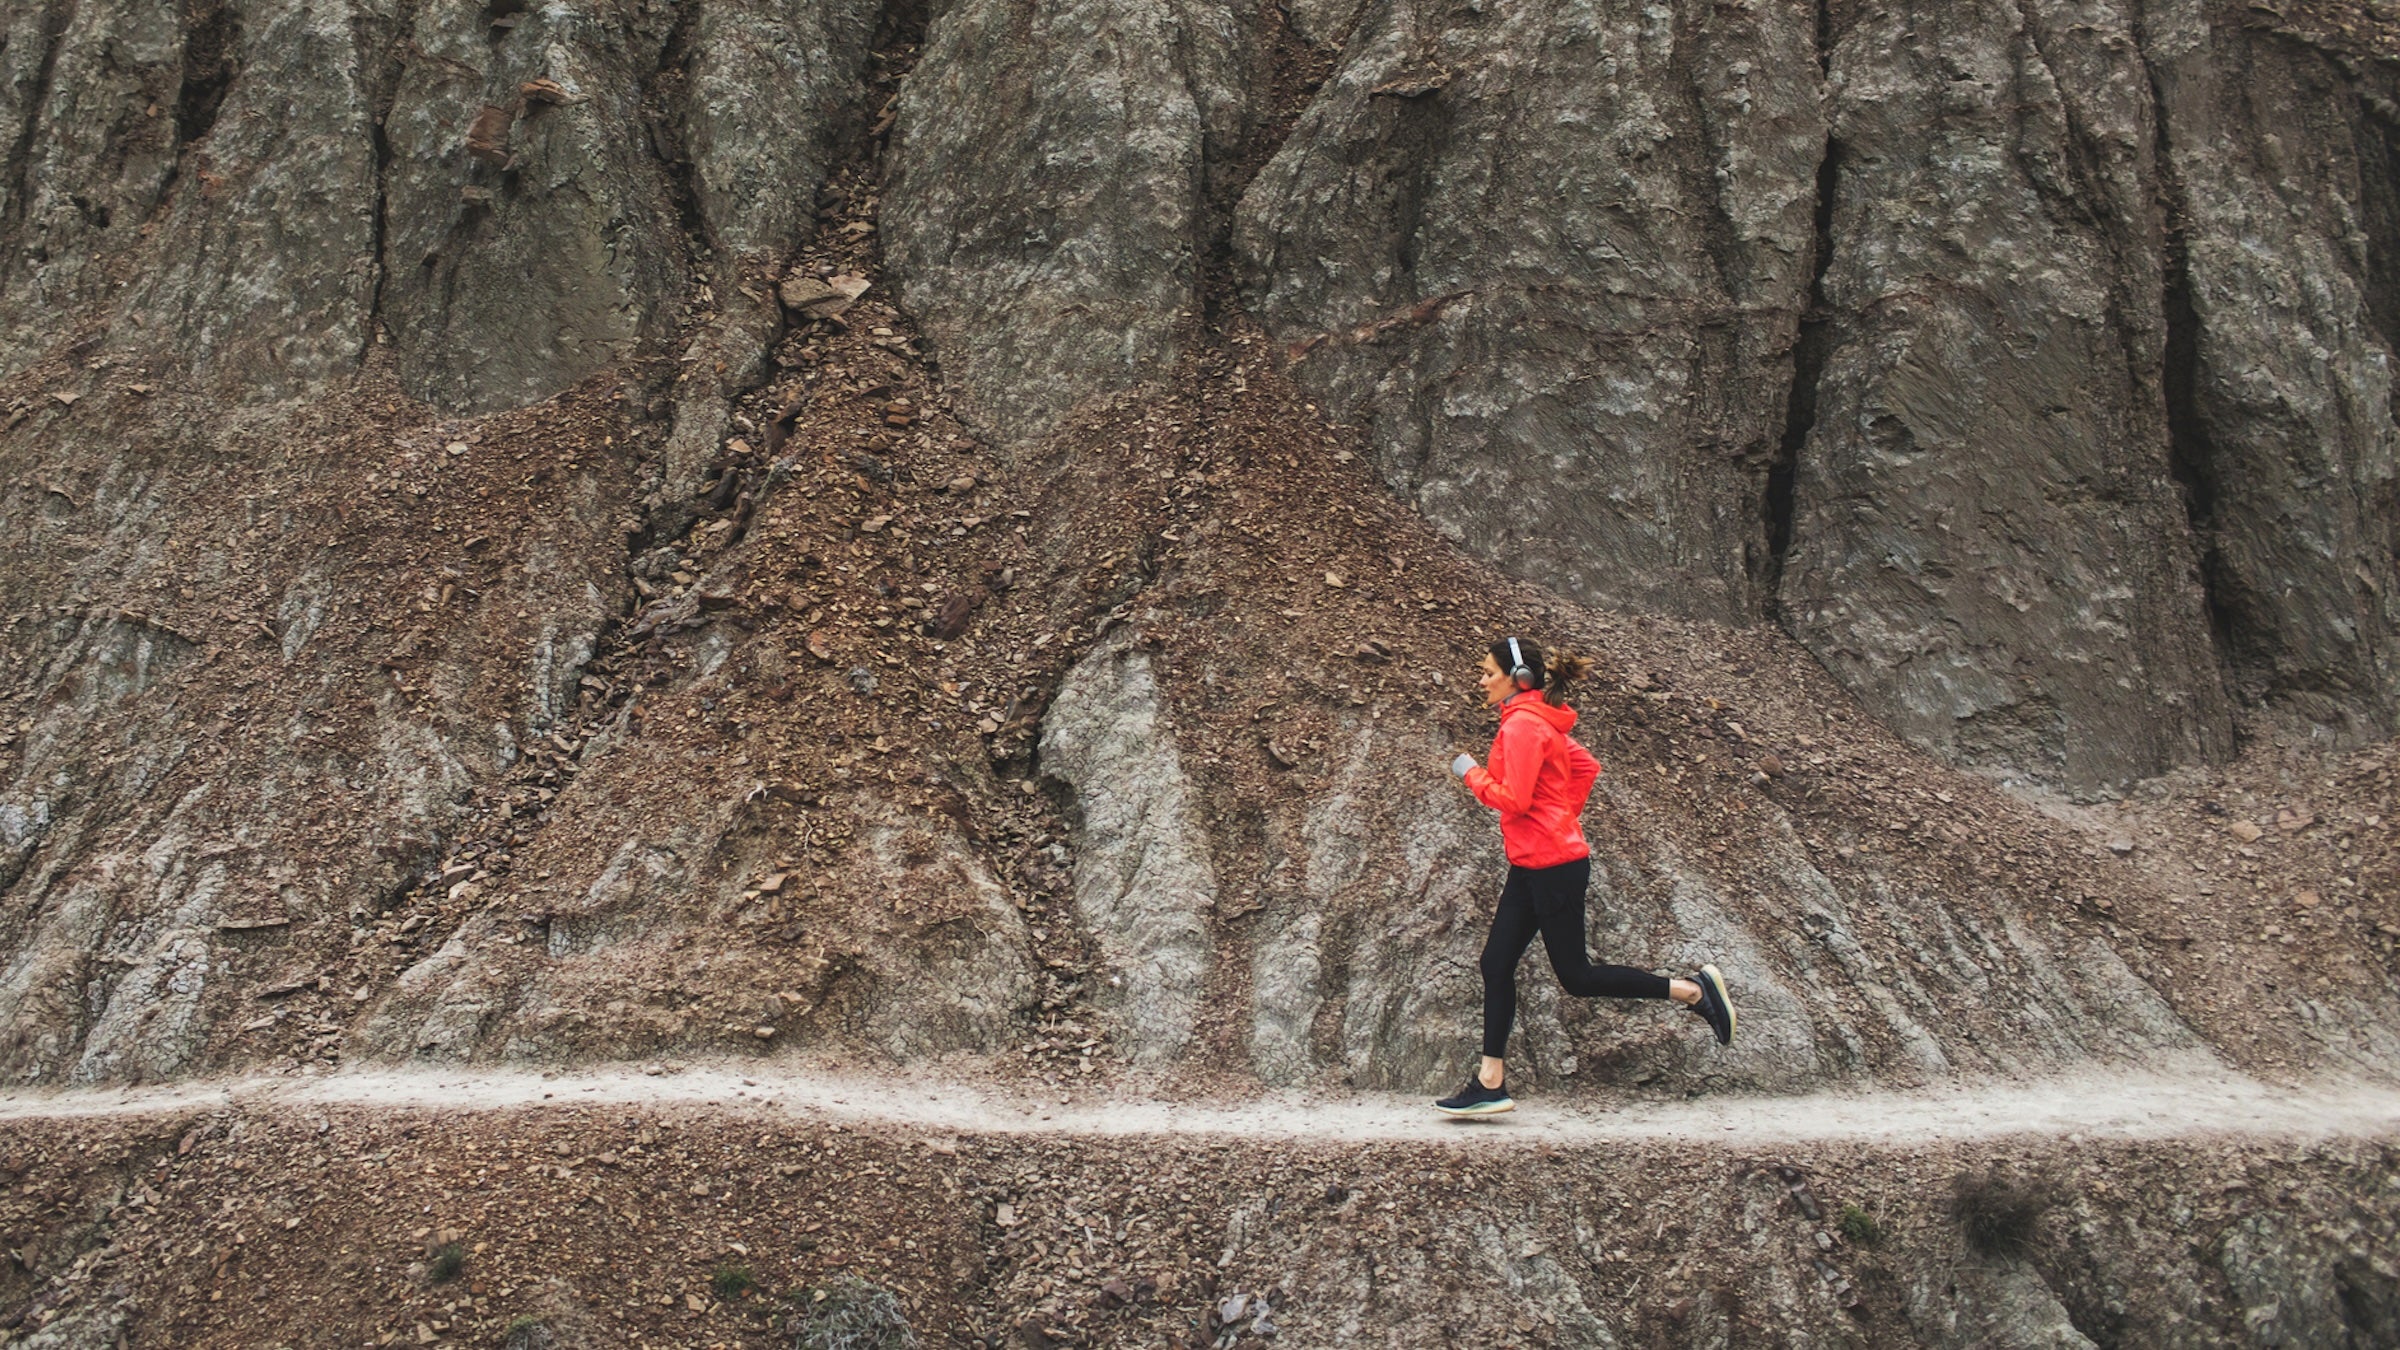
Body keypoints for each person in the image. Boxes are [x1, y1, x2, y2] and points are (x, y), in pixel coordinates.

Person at [1434, 636, 1735, 1118]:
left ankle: (1694, 990)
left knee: (1578, 976)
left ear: (1519, 680)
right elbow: (1585, 767)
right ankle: (1491, 1081)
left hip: (1553, 867)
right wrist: (1560, 820)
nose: (1482, 679)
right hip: (1535, 862)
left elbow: (1514, 800)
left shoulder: (1524, 728)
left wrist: (1470, 773)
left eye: (1489, 672)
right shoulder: (1535, 722)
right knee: (1495, 964)